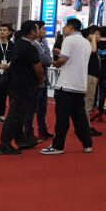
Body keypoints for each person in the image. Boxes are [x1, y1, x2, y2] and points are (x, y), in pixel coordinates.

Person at [40, 19, 94, 155]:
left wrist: (55, 62)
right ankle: (87, 143)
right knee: (80, 117)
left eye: (64, 27)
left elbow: (64, 60)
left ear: (70, 27)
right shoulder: (86, 42)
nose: (63, 30)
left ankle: (58, 145)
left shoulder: (69, 40)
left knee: (62, 117)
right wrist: (61, 55)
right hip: (80, 84)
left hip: (66, 84)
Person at [0, 21, 45, 155]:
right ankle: (4, 146)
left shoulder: (18, 44)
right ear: (32, 32)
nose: (41, 31)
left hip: (15, 84)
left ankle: (20, 140)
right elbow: (38, 69)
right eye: (38, 29)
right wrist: (40, 80)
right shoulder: (30, 48)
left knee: (18, 115)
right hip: (23, 86)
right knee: (14, 116)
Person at [23, 21, 53, 141]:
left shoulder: (43, 42)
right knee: (32, 108)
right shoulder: (33, 45)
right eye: (42, 29)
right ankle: (28, 132)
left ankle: (42, 130)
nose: (45, 31)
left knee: (43, 106)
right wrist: (47, 59)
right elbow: (45, 60)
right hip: (36, 81)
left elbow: (48, 59)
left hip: (44, 79)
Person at [81, 26, 102, 136]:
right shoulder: (88, 45)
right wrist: (93, 38)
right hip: (89, 77)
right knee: (87, 103)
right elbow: (93, 50)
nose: (99, 37)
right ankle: (86, 128)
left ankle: (84, 127)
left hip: (92, 77)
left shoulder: (87, 45)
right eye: (97, 34)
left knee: (88, 102)